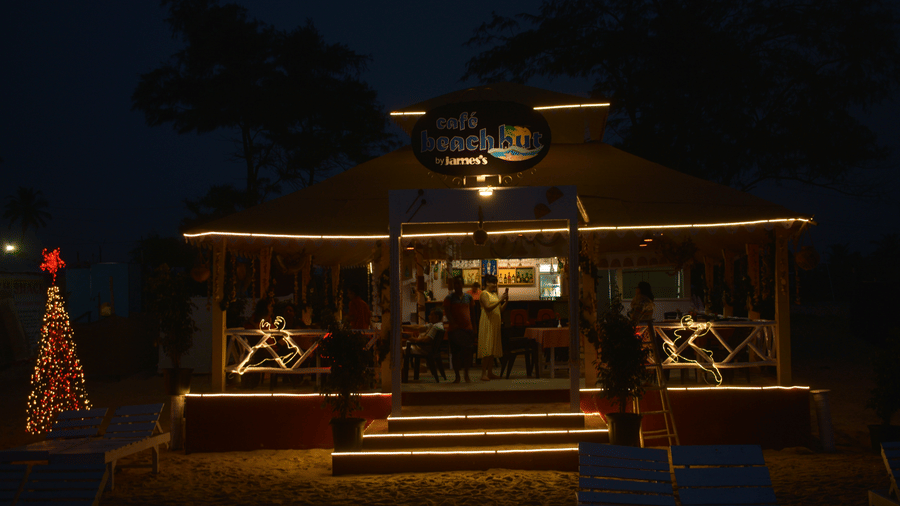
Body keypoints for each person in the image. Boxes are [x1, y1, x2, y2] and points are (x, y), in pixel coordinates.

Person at [443, 275, 475, 383]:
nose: (457, 285)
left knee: (468, 354)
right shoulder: (449, 298)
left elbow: (473, 313)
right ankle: (457, 377)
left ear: (463, 284)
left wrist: (474, 328)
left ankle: (466, 375)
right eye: (455, 283)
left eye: (459, 283)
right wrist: (453, 323)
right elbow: (447, 312)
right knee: (455, 354)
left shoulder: (469, 297)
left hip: (467, 329)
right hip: (454, 330)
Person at [478, 274, 508, 381]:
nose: (495, 285)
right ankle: (483, 374)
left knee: (492, 349)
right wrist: (500, 300)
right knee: (487, 348)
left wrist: (506, 301)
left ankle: (490, 373)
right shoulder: (484, 294)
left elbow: (500, 310)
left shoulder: (494, 294)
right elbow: (487, 308)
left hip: (495, 323)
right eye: (492, 282)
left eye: (495, 283)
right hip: (487, 323)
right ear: (487, 283)